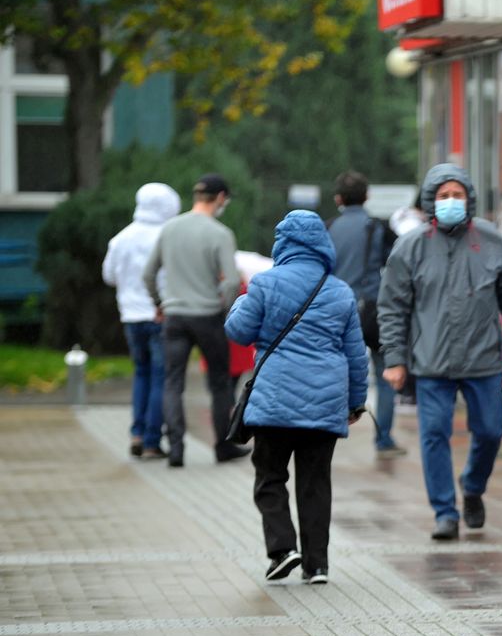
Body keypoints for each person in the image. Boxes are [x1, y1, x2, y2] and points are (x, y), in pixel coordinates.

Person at [378, 163, 502, 540]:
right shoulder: (410, 247)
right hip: (431, 360)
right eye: (442, 196)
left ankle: (472, 486)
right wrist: (395, 358)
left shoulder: (492, 241)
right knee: (433, 434)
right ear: (430, 202)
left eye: (457, 195)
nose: (450, 202)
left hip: (483, 358)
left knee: (490, 431)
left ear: (469, 198)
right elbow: (393, 307)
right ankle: (444, 512)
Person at [224, 210, 368, 585]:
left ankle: (283, 548)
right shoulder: (339, 290)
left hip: (273, 403)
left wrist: (242, 301)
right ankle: (317, 565)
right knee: (315, 483)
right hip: (324, 404)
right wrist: (356, 403)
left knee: (270, 476)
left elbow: (238, 331)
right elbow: (356, 354)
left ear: (282, 243)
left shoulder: (264, 283)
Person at [143, 173, 249, 468]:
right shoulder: (219, 233)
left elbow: (148, 274)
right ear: (220, 198)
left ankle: (176, 449)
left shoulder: (169, 229)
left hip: (175, 317)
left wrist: (160, 304)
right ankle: (223, 447)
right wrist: (226, 310)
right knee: (219, 385)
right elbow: (230, 282)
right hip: (208, 317)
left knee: (172, 382)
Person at [102, 182, 181, 460]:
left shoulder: (121, 238)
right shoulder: (168, 235)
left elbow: (109, 276)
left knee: (141, 373)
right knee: (161, 376)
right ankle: (151, 440)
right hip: (160, 315)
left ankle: (136, 432)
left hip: (131, 316)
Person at [328, 170, 403, 456]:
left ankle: (331, 428)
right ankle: (383, 439)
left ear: (338, 199)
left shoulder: (328, 227)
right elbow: (397, 260)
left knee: (335, 371)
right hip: (375, 310)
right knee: (385, 372)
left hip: (337, 310)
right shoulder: (378, 228)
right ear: (367, 196)